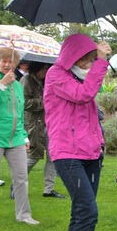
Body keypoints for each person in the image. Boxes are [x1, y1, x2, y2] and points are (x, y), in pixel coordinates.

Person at [44, 34, 111, 231]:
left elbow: (89, 107)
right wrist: (102, 63)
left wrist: (100, 142)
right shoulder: (56, 74)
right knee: (87, 212)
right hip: (67, 152)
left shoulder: (80, 76)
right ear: (71, 55)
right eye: (85, 58)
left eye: (91, 58)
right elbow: (83, 96)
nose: (88, 63)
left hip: (90, 152)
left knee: (80, 212)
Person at [0, 47, 39, 225]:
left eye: (11, 61)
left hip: (15, 138)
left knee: (21, 177)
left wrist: (24, 135)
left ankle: (24, 214)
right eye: (4, 61)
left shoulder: (17, 84)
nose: (8, 64)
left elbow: (19, 112)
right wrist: (1, 84)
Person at [22, 61, 66, 199]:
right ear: (38, 67)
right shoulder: (26, 80)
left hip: (49, 123)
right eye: (46, 68)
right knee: (33, 157)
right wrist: (44, 101)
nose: (47, 71)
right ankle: (17, 185)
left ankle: (49, 189)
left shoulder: (48, 80)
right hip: (34, 124)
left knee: (53, 156)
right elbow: (23, 103)